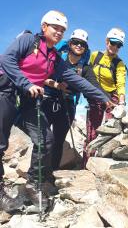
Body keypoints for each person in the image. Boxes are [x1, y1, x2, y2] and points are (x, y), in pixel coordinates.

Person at [0, 10, 111, 211]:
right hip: (6, 90)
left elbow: (76, 79)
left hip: (27, 100)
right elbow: (6, 60)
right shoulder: (27, 41)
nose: (59, 32)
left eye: (62, 30)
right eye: (55, 28)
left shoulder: (54, 58)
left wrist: (102, 98)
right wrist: (26, 84)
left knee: (46, 139)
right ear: (44, 27)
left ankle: (34, 184)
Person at [43, 29, 103, 170]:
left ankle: (52, 173)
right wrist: (57, 85)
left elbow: (93, 85)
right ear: (70, 44)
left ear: (85, 48)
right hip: (48, 99)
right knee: (44, 138)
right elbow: (43, 75)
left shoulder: (85, 69)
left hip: (68, 104)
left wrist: (106, 100)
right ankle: (39, 172)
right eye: (76, 42)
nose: (79, 46)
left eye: (82, 44)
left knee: (58, 140)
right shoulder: (56, 57)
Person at [83, 28, 126, 167]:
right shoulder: (95, 56)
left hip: (111, 99)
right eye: (113, 43)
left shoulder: (119, 64)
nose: (115, 47)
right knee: (92, 131)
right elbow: (86, 72)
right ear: (107, 41)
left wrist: (121, 101)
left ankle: (105, 165)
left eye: (119, 45)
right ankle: (87, 164)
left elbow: (120, 83)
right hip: (95, 97)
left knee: (110, 132)